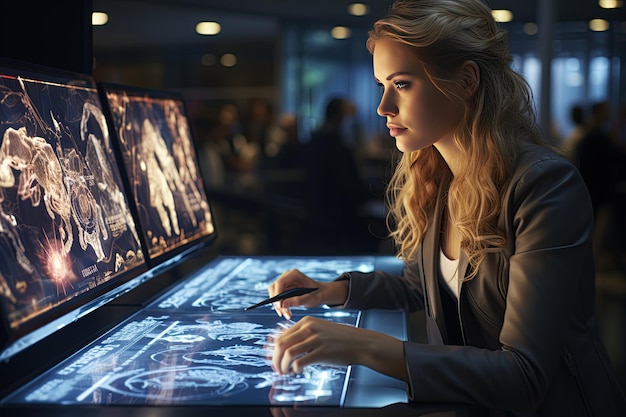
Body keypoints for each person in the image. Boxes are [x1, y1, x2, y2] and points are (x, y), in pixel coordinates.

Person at [266, 0, 626, 415]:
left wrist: (363, 346)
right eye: (381, 85)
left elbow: (525, 375)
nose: (383, 107)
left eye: (401, 84)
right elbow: (424, 285)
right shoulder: (440, 176)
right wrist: (331, 290)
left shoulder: (544, 184)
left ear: (466, 80)